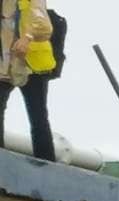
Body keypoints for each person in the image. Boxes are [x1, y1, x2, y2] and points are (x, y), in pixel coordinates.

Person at [0, 0, 57, 162]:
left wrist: (27, 37)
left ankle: (46, 164)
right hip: (4, 67)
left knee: (37, 115)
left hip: (30, 64)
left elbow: (45, 26)